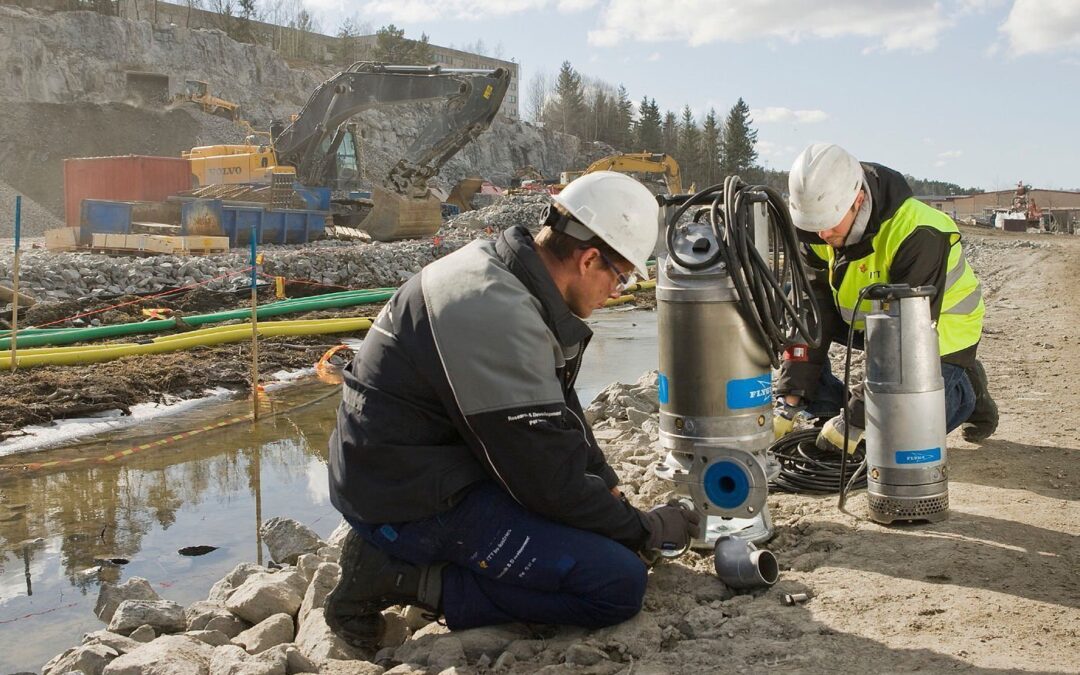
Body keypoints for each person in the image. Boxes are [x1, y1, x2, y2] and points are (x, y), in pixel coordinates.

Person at [324, 171, 700, 648]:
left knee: (599, 531)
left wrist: (608, 489)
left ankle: (407, 557)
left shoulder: (504, 274)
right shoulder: (496, 314)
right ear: (589, 259)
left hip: (417, 463)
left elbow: (558, 415)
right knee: (616, 583)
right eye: (621, 277)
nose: (616, 293)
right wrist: (643, 530)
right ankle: (395, 575)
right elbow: (548, 485)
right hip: (404, 499)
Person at [773, 143, 998, 452]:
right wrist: (789, 401)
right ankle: (829, 408)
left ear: (859, 199)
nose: (823, 234)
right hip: (868, 322)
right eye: (814, 224)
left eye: (829, 222)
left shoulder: (918, 232)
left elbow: (906, 339)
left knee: (902, 435)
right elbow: (813, 312)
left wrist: (857, 418)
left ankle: (966, 389)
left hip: (936, 334)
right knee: (791, 301)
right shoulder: (816, 230)